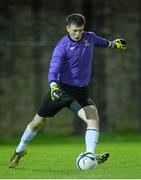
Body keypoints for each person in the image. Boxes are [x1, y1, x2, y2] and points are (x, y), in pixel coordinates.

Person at [9, 13, 127, 168]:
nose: (77, 34)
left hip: (80, 92)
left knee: (93, 116)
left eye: (80, 30)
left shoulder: (89, 37)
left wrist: (114, 44)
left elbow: (102, 42)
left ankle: (90, 155)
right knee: (37, 123)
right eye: (74, 31)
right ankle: (19, 150)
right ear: (67, 29)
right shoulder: (62, 46)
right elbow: (53, 70)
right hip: (61, 91)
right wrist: (53, 86)